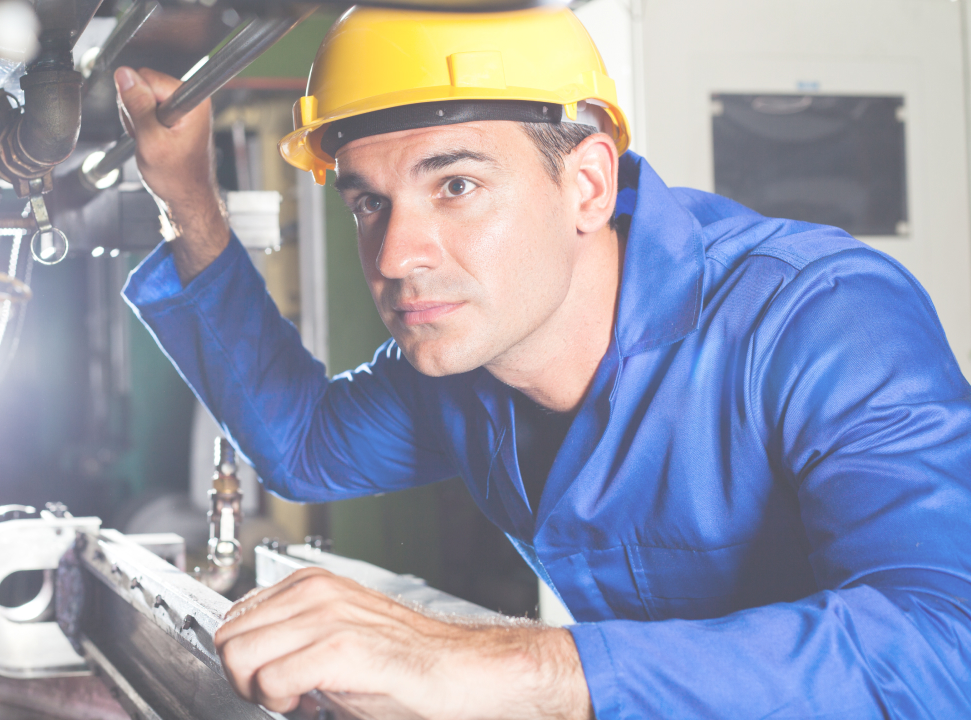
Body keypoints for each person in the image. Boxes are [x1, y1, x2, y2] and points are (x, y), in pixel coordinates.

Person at [116, 6, 971, 719]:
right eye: (370, 201)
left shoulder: (818, 317)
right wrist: (187, 200)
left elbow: (945, 651)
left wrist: (507, 667)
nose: (397, 255)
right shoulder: (460, 365)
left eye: (456, 185)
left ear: (588, 187)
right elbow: (303, 444)